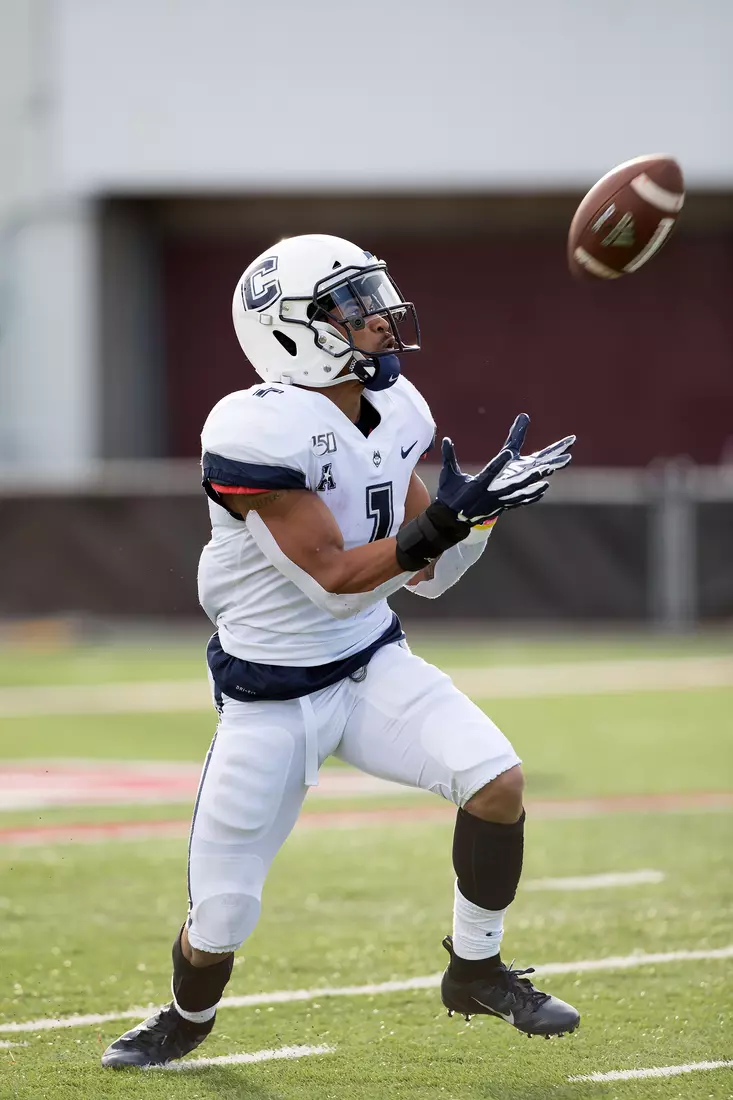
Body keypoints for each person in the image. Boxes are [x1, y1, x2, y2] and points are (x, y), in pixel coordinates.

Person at [102, 234, 579, 1069]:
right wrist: (440, 525)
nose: (382, 318)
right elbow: (331, 578)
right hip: (270, 697)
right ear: (293, 329)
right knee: (221, 915)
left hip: (368, 662)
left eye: (375, 295)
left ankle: (475, 967)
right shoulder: (255, 427)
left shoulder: (396, 409)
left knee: (495, 780)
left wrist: (484, 515)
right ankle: (184, 1019)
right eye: (354, 305)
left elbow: (423, 573)